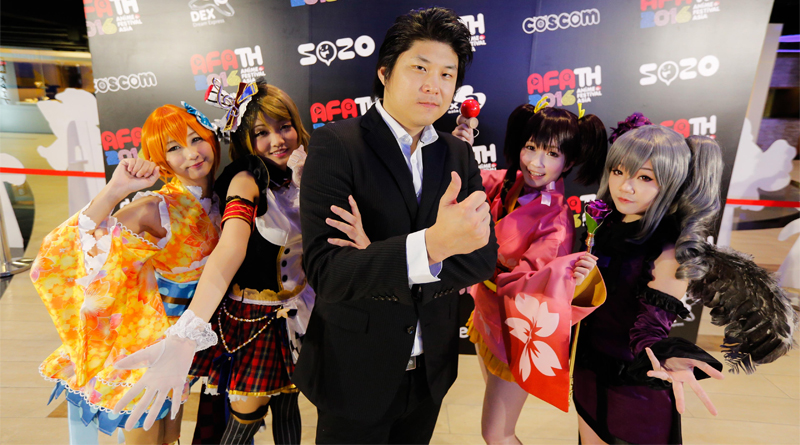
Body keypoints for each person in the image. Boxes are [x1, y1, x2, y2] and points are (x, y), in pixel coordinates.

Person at [293, 6, 497, 444]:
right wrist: (433, 247)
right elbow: (329, 273)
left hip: (431, 369)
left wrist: (376, 255)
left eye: (447, 74)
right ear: (385, 72)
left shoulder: (457, 154)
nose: (433, 85)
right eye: (419, 68)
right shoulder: (336, 145)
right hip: (355, 369)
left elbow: (482, 258)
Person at [113, 77, 313, 445]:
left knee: (288, 404)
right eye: (261, 132)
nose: (277, 140)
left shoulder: (302, 173)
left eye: (284, 126)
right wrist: (186, 331)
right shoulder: (245, 179)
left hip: (297, 313)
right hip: (241, 319)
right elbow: (230, 249)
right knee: (240, 415)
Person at [573, 118, 797, 444]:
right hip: (586, 373)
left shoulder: (668, 250)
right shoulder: (602, 226)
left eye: (645, 177)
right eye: (618, 171)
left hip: (632, 387)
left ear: (671, 183)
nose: (625, 186)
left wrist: (667, 356)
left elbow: (649, 329)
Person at [33, 103, 222, 445]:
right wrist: (116, 189)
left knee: (169, 436)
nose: (192, 153)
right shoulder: (156, 207)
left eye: (196, 139)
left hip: (189, 340)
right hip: (151, 341)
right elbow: (83, 243)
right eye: (174, 148)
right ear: (161, 159)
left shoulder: (224, 197)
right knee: (147, 433)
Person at [465, 103, 608, 444]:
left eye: (552, 154)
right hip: (487, 315)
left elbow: (528, 287)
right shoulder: (511, 181)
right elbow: (471, 183)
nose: (536, 163)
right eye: (530, 147)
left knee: (497, 434)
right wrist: (461, 150)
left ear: (568, 162)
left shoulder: (555, 223)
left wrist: (468, 266)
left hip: (512, 330)